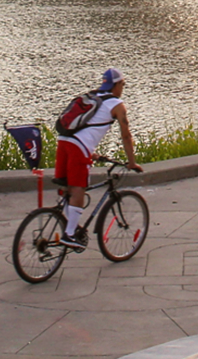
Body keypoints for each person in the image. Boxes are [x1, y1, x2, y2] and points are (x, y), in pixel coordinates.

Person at [52, 67, 138, 250]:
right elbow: (126, 136)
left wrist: (92, 154)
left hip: (63, 142)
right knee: (78, 189)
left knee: (67, 188)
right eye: (122, 84)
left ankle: (69, 226)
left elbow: (84, 127)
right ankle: (69, 234)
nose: (123, 88)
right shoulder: (117, 105)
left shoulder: (92, 97)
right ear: (117, 85)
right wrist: (132, 162)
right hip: (78, 148)